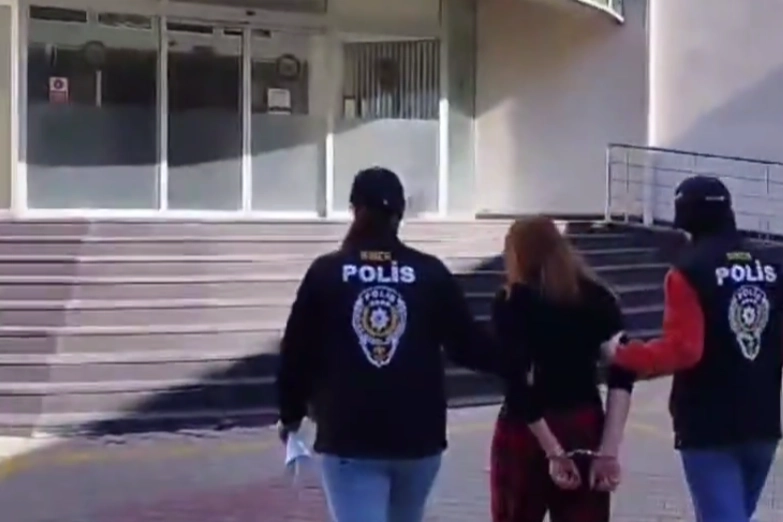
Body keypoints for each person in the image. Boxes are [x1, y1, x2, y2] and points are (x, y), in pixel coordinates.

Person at [275, 166, 500, 522]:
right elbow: (467, 345)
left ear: (354, 209)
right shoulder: (430, 272)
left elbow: (297, 353)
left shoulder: (327, 272)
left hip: (350, 435)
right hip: (418, 437)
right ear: (399, 213)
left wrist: (290, 415)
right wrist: (522, 361)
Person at [602, 175, 783, 522]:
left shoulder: (689, 272)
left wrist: (625, 354)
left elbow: (684, 350)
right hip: (762, 421)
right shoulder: (773, 267)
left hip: (708, 425)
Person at [490, 216, 635, 522]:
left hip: (526, 429)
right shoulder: (597, 297)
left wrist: (553, 451)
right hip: (583, 424)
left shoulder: (512, 301)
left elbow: (516, 382)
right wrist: (608, 451)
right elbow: (623, 368)